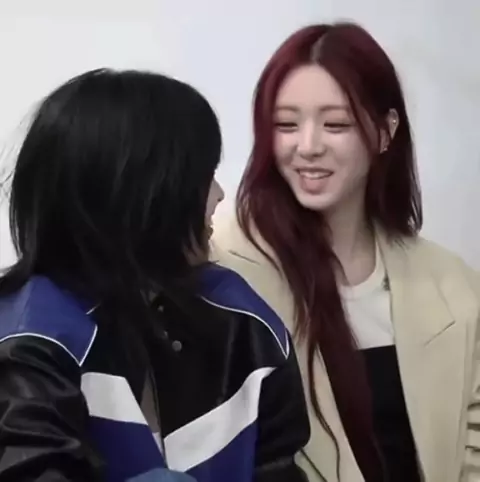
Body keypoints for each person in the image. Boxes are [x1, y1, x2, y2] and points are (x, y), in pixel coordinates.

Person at [0, 69, 310, 482]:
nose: (219, 195)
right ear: (143, 194)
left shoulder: (244, 323)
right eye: (203, 177)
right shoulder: (30, 339)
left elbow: (279, 467)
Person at [211, 22, 480, 482]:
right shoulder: (223, 267)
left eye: (335, 124)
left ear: (385, 131)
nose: (307, 147)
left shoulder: (449, 283)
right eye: (286, 125)